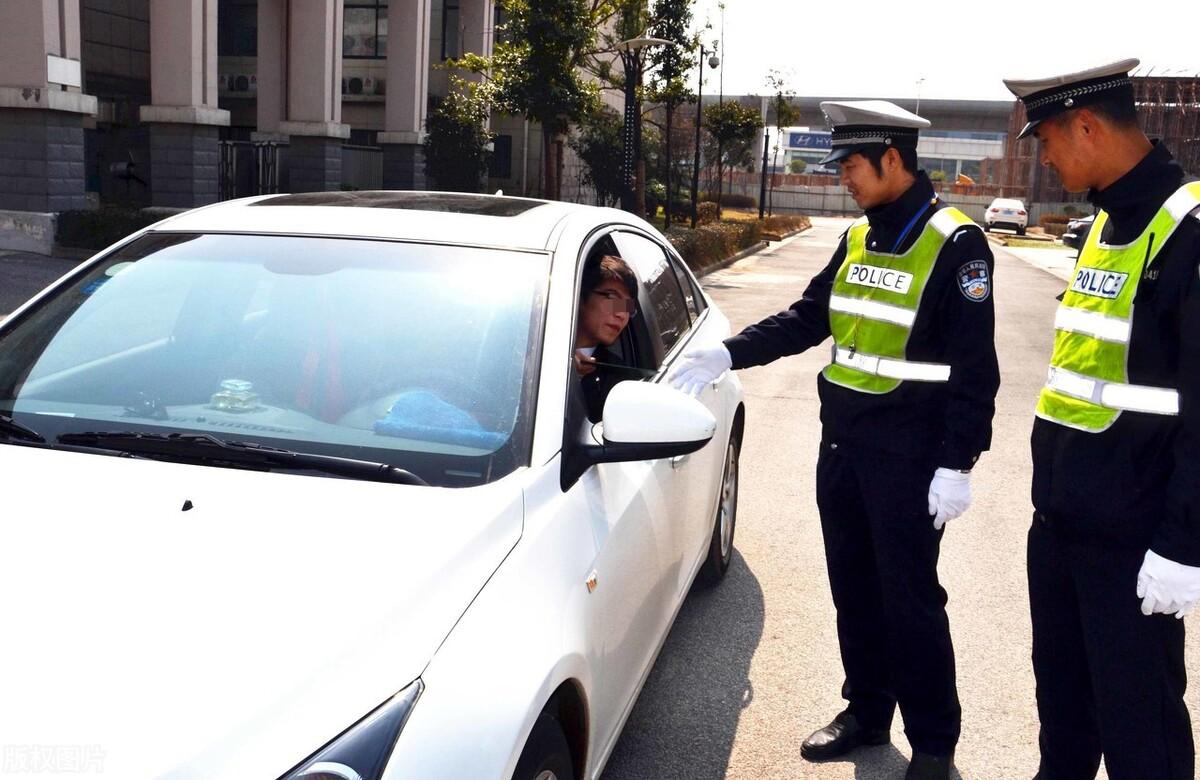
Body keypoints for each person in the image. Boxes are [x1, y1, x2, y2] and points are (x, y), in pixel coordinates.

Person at [670, 100, 999, 780]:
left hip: (910, 459)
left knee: (910, 599)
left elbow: (976, 370)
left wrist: (956, 463)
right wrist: (728, 355)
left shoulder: (956, 242)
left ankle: (934, 741)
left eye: (851, 164)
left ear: (892, 160)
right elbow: (808, 319)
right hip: (843, 447)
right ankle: (867, 712)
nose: (844, 177)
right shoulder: (856, 239)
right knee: (854, 587)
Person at [1002, 59, 1200, 780]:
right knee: (1064, 717)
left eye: (1047, 140)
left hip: (1135, 546)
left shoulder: (1187, 232)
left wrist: (1184, 544)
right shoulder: (1101, 228)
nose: (1043, 157)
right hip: (1059, 526)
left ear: (1087, 126)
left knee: (1141, 730)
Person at [575, 254, 639, 423]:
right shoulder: (527, 351)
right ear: (580, 298)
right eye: (611, 298)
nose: (621, 314)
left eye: (628, 307)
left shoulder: (619, 380)